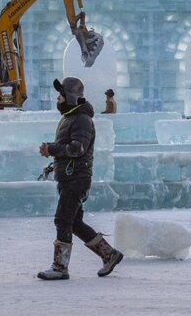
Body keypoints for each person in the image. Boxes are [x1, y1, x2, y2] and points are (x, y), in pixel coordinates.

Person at [37, 76, 123, 280]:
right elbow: (71, 149)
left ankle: (60, 267)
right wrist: (54, 162)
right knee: (74, 222)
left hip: (77, 179)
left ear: (71, 97)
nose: (57, 99)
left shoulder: (81, 119)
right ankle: (109, 254)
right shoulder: (71, 117)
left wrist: (52, 149)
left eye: (61, 95)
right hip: (71, 177)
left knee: (63, 220)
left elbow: (78, 148)